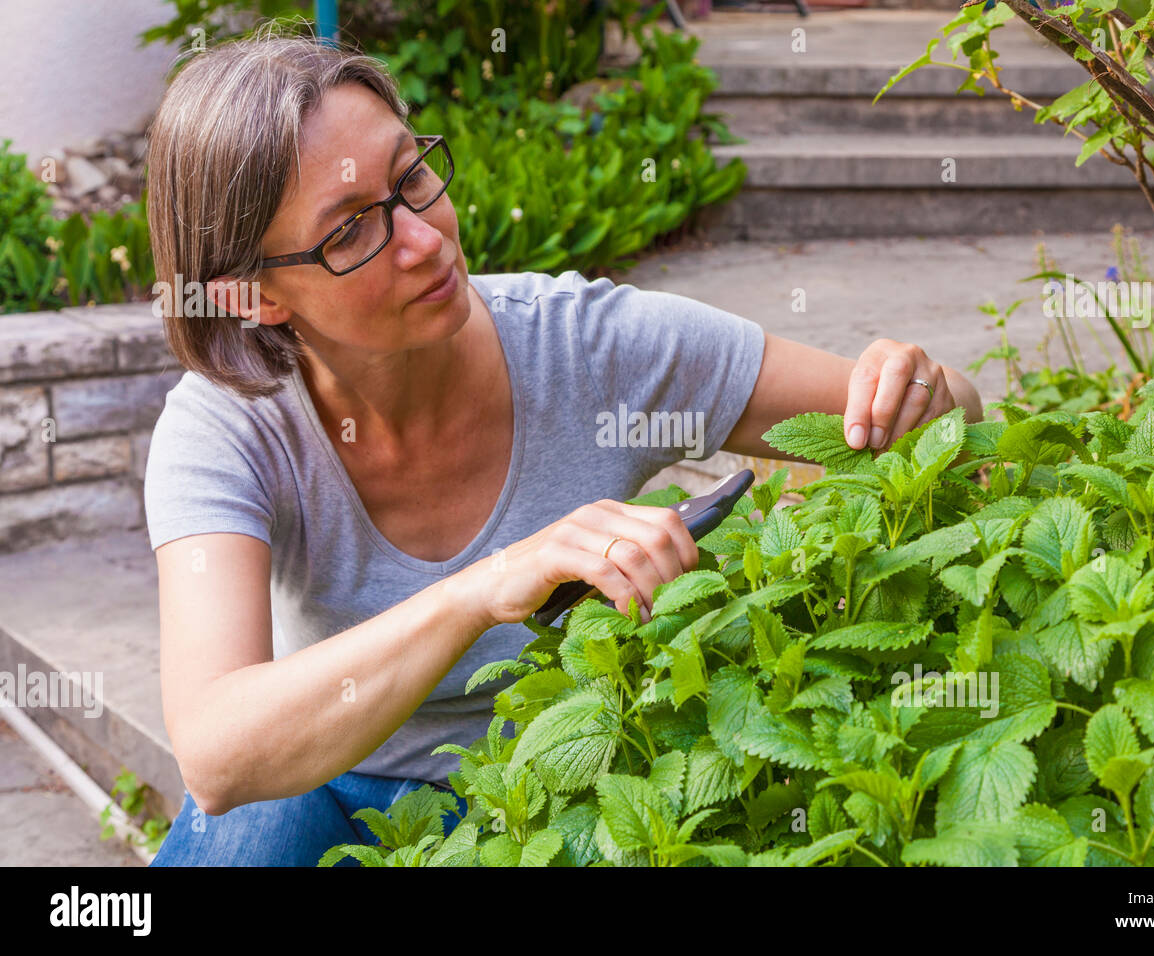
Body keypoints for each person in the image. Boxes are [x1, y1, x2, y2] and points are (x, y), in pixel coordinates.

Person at [142, 25, 983, 866]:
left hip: (553, 774)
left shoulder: (589, 345)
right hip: (329, 775)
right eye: (352, 231)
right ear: (255, 297)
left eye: (414, 176)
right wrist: (485, 589)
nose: (426, 239)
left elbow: (948, 419)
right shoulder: (229, 426)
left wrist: (915, 386)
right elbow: (217, 754)